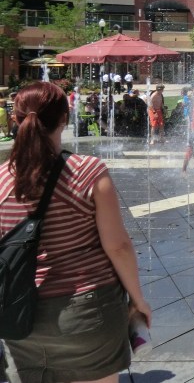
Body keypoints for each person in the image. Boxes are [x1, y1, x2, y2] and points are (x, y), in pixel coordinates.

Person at [0, 82, 151, 382]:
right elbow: (118, 246)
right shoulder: (88, 171)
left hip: (21, 317)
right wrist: (138, 300)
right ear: (64, 119)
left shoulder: (2, 180)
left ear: (15, 119)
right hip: (88, 311)